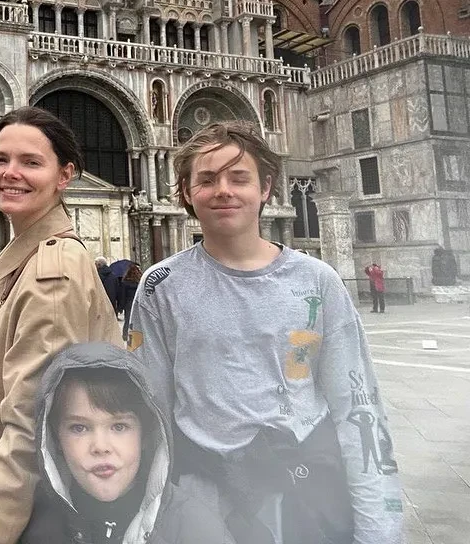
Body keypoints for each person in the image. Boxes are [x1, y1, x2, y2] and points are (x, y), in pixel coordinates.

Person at [130, 122, 403, 544]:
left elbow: (357, 403)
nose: (223, 190)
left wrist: (379, 530)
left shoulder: (317, 281)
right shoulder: (159, 286)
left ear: (266, 188)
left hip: (303, 488)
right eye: (207, 179)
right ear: (185, 191)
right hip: (204, 493)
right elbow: (150, 410)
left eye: (239, 178)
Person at [0, 106, 121, 544]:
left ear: (65, 176)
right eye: (1, 159)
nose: (10, 173)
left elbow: (30, 431)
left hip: (22, 520)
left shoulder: (52, 276)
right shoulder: (25, 259)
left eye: (31, 162)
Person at [21, 343, 231, 544]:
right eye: (79, 428)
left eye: (119, 426)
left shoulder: (198, 532)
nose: (101, 446)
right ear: (55, 439)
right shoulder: (33, 526)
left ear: (146, 435)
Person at [117, 262, 141, 340]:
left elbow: (122, 296)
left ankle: (125, 335)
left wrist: (120, 307)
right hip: (138, 303)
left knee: (128, 320)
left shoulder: (125, 283)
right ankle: (137, 335)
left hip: (129, 304)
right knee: (138, 320)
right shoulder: (140, 282)